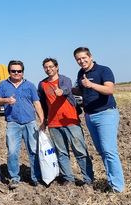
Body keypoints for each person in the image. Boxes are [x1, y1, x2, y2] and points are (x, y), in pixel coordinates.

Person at [73, 47, 124, 192]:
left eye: (84, 58)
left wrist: (92, 85)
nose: (81, 61)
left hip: (106, 113)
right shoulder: (81, 73)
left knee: (109, 150)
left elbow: (109, 90)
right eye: (78, 59)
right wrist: (67, 89)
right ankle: (111, 181)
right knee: (102, 151)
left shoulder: (103, 70)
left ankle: (118, 187)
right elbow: (83, 91)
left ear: (90, 56)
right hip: (89, 116)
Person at [37, 58, 94, 186]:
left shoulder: (64, 79)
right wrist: (43, 121)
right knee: (62, 153)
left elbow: (67, 88)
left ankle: (88, 180)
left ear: (57, 67)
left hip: (70, 121)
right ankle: (69, 178)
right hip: (53, 123)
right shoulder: (42, 84)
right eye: (46, 67)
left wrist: (61, 91)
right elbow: (42, 103)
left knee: (80, 151)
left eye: (51, 66)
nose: (49, 69)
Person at [0, 60, 45, 189]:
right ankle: (14, 178)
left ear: (23, 72)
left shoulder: (30, 85)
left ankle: (36, 178)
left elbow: (37, 104)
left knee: (33, 151)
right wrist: (6, 100)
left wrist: (43, 122)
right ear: (9, 72)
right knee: (12, 152)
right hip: (13, 123)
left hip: (30, 122)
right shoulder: (3, 85)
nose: (16, 73)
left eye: (19, 71)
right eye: (13, 71)